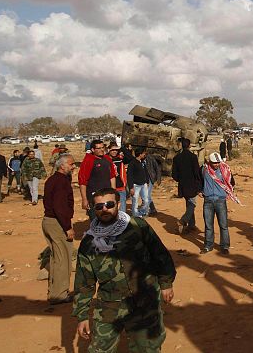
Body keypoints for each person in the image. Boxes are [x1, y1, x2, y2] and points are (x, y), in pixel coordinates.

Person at [73, 188, 176, 352]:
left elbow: (160, 254)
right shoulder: (89, 242)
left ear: (118, 204)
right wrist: (82, 315)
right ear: (93, 209)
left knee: (147, 348)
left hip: (144, 300)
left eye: (109, 204)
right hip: (109, 304)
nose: (104, 209)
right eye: (99, 206)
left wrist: (166, 283)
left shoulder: (137, 226)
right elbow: (84, 281)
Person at [42, 153, 75, 305]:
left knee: (56, 259)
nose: (74, 167)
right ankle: (60, 295)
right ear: (62, 166)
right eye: (71, 164)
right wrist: (67, 227)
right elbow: (60, 207)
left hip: (49, 221)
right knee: (63, 260)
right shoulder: (61, 182)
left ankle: (55, 292)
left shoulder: (53, 180)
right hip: (58, 223)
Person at [200, 152, 237, 254]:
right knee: (208, 225)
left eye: (218, 162)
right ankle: (208, 245)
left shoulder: (225, 170)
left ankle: (225, 246)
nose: (216, 164)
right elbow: (199, 181)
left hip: (220, 200)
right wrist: (200, 190)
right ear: (210, 162)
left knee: (223, 225)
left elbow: (231, 182)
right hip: (208, 201)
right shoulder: (204, 170)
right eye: (214, 163)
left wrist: (227, 191)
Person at [78, 139, 117, 218]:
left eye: (102, 147)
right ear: (92, 149)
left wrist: (114, 192)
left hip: (107, 196)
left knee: (109, 218)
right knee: (96, 220)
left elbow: (112, 176)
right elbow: (82, 182)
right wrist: (84, 199)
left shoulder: (107, 159)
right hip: (94, 197)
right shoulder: (88, 160)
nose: (101, 150)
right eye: (98, 148)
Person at [172, 138, 201, 234]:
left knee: (189, 204)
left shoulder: (176, 158)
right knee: (192, 204)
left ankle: (191, 225)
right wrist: (199, 185)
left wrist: (180, 179)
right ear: (189, 146)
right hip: (192, 185)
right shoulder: (193, 157)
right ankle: (183, 221)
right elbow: (197, 172)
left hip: (182, 185)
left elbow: (174, 175)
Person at [128, 147, 150, 218]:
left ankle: (142, 212)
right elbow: (129, 176)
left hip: (144, 185)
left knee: (146, 200)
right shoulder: (132, 163)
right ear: (140, 154)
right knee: (135, 201)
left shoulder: (143, 162)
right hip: (135, 185)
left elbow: (145, 172)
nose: (145, 154)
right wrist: (131, 187)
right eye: (144, 153)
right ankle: (135, 215)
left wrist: (147, 181)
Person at [108, 145, 128, 212]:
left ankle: (122, 222)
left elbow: (130, 158)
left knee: (122, 210)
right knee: (111, 210)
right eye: (112, 150)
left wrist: (122, 148)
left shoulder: (120, 159)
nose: (114, 152)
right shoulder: (105, 160)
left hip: (120, 187)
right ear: (109, 150)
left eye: (116, 150)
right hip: (109, 188)